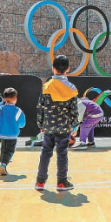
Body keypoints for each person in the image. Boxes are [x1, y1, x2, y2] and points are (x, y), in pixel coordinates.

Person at [35, 54, 79, 192]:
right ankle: (61, 182)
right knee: (62, 154)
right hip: (64, 128)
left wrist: (40, 124)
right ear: (68, 69)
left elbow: (40, 107)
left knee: (45, 153)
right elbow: (74, 110)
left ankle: (40, 181)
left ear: (53, 68)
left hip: (48, 126)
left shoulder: (46, 86)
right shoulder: (72, 88)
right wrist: (74, 126)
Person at [0, 87, 26, 175]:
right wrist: (17, 125)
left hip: (1, 134)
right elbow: (22, 124)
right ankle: (3, 164)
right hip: (12, 135)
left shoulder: (0, 109)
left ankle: (2, 163)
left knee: (4, 149)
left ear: (4, 99)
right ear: (15, 98)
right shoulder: (18, 111)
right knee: (10, 151)